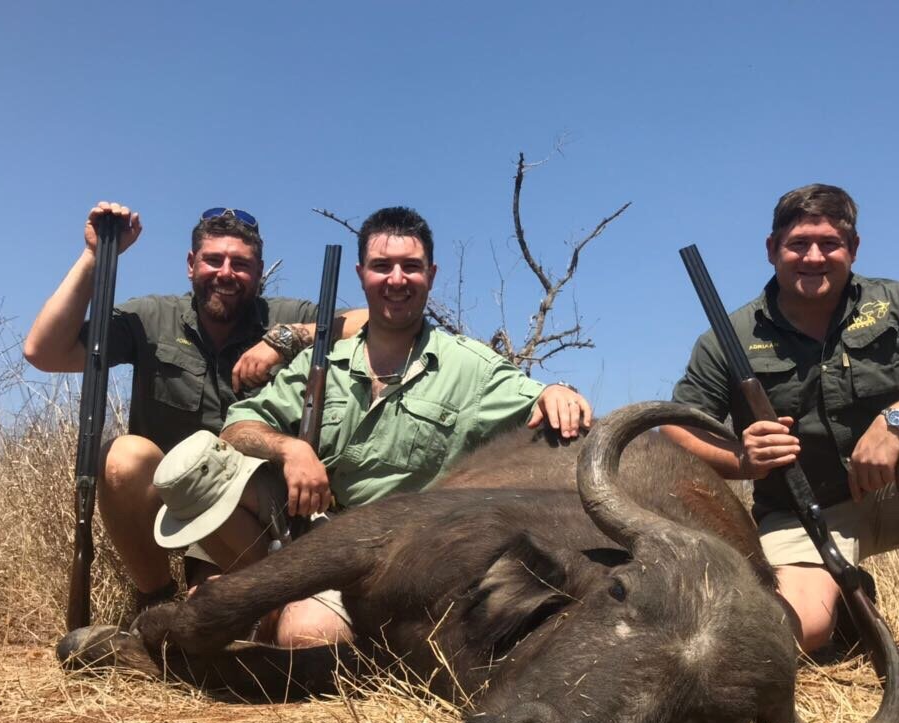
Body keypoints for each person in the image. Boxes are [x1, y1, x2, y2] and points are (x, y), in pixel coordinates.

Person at [146, 205, 593, 650]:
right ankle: (254, 598)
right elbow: (237, 428)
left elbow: (538, 400)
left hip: (399, 557)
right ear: (362, 274)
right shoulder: (322, 363)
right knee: (205, 471)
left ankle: (274, 610)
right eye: (382, 267)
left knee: (308, 635)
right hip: (315, 535)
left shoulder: (470, 367)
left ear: (431, 275)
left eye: (410, 267)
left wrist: (558, 390)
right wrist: (291, 451)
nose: (396, 280)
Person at [662, 184, 899, 684]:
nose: (814, 256)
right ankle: (846, 613)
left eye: (830, 244)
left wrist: (895, 421)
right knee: (791, 632)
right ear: (772, 250)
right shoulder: (729, 335)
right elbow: (677, 428)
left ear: (852, 249)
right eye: (797, 244)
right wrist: (742, 459)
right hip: (802, 511)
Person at [24, 202, 365, 610]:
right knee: (123, 458)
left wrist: (289, 338)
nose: (226, 273)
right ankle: (153, 601)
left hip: (245, 510)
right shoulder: (152, 317)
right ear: (191, 264)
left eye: (240, 264)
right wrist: (95, 257)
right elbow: (43, 352)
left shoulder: (285, 316)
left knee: (214, 602)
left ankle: (240, 597)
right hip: (172, 499)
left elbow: (373, 323)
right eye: (213, 260)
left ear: (258, 273)